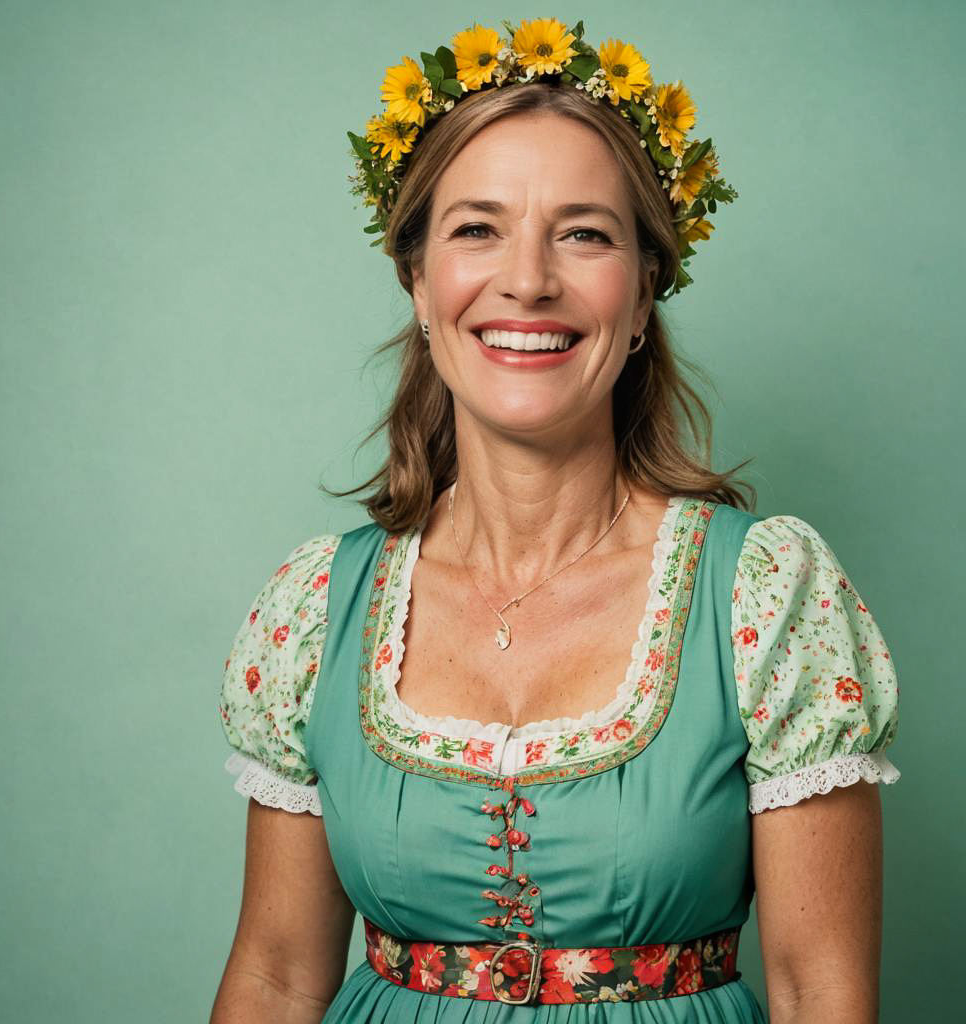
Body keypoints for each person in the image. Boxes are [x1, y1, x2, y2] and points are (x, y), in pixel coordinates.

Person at [210, 17, 900, 1024]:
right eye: (475, 228)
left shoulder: (766, 595)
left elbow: (817, 991)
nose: (527, 279)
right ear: (417, 280)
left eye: (583, 233)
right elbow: (274, 974)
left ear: (643, 291)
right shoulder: (318, 605)